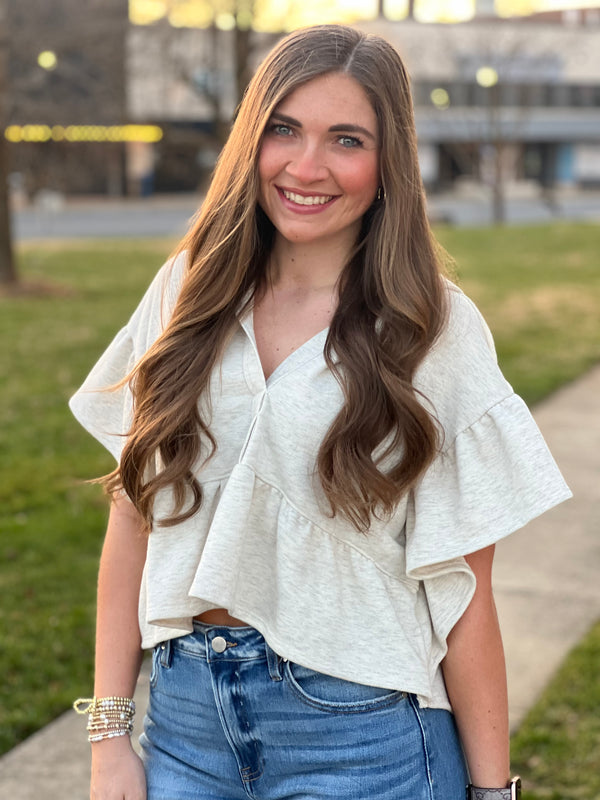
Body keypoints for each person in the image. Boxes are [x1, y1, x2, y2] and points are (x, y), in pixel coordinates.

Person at [70, 24, 571, 800]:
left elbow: (466, 588)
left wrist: (494, 791)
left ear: (387, 162)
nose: (307, 168)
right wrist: (108, 739)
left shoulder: (431, 328)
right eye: (284, 130)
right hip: (187, 728)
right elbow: (131, 519)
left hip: (364, 736)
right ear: (252, 141)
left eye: (346, 139)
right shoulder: (186, 292)